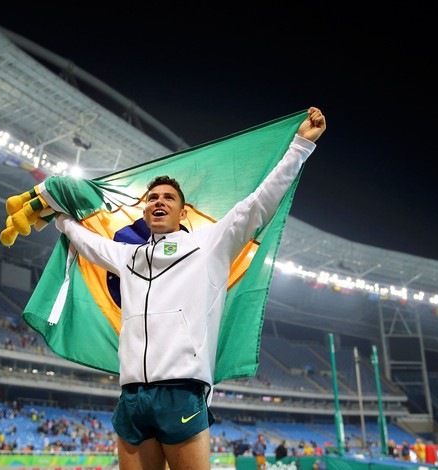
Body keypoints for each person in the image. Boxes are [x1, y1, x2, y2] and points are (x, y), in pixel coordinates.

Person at [51, 107, 326, 470]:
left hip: (181, 391)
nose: (159, 201)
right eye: (152, 198)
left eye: (168, 198)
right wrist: (56, 213)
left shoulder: (211, 244)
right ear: (145, 212)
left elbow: (261, 202)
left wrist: (300, 146)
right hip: (131, 394)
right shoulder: (127, 256)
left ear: (183, 213)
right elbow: (85, 241)